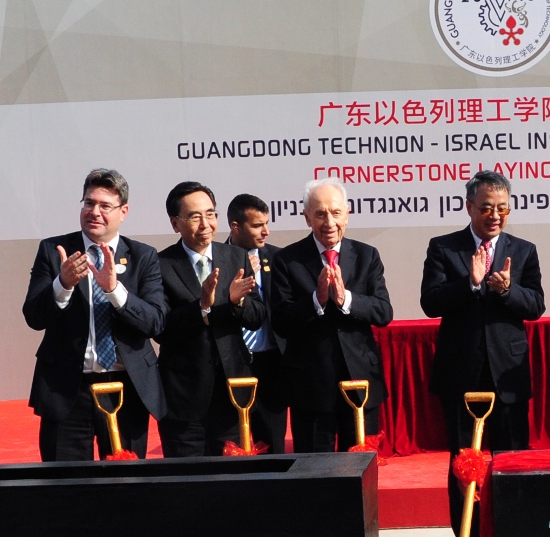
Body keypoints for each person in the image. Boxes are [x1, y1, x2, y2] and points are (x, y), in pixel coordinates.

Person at [420, 170, 545, 537]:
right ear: (470, 207)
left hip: (508, 372)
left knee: (512, 459)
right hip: (462, 374)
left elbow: (536, 306)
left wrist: (507, 290)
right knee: (463, 461)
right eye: (487, 207)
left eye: (502, 208)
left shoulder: (523, 250)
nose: (495, 215)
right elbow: (430, 302)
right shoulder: (444, 248)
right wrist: (470, 284)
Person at [23, 169, 166, 461]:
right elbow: (34, 317)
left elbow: (155, 322)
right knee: (66, 480)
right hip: (67, 388)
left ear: (123, 212)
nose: (95, 212)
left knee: (125, 480)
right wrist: (62, 284)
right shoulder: (54, 250)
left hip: (126, 388)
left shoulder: (143, 256)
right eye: (89, 203)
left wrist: (114, 290)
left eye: (105, 206)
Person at [272, 179, 393, 452]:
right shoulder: (287, 260)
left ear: (347, 214)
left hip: (360, 381)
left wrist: (345, 299)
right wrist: (317, 300)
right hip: (311, 387)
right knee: (315, 469)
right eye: (320, 214)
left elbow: (383, 311)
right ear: (307, 218)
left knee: (361, 464)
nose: (329, 222)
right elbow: (281, 321)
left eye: (336, 213)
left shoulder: (366, 255)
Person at [155, 182, 265, 456]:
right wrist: (202, 306)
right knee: (187, 476)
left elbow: (257, 317)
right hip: (183, 398)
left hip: (232, 393)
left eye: (210, 214)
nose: (205, 224)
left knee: (233, 476)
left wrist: (237, 302)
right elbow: (161, 328)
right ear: (175, 223)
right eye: (194, 217)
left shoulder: (236, 256)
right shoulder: (160, 264)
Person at [225, 194, 287, 454]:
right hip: (231, 363)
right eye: (257, 225)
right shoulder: (218, 259)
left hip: (270, 363)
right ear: (236, 227)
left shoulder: (278, 259)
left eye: (267, 223)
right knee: (231, 443)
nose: (266, 232)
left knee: (273, 444)